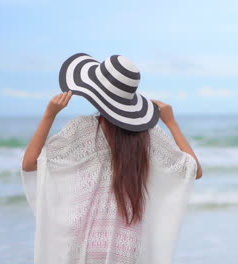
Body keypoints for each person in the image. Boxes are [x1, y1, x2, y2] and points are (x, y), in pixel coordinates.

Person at [20, 53, 202, 264]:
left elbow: (30, 163)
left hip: (85, 240)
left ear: (96, 93)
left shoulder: (83, 128)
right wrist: (171, 122)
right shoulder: (148, 135)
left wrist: (49, 115)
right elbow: (194, 170)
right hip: (129, 244)